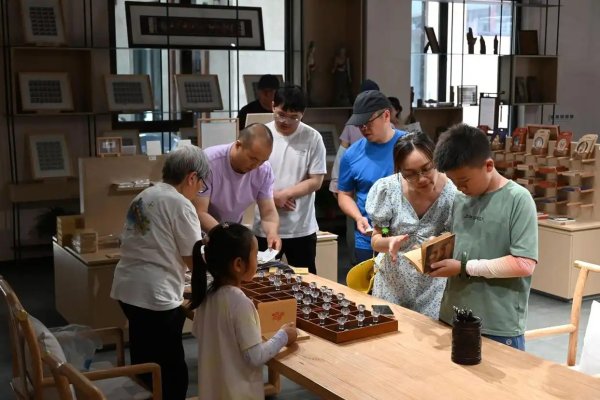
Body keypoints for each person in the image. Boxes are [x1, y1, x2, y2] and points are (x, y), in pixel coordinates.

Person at [110, 145, 209, 399]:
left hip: (127, 289)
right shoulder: (180, 204)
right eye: (201, 184)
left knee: (144, 360)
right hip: (155, 295)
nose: (200, 190)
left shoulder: (144, 195)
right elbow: (193, 259)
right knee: (171, 370)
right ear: (191, 177)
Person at [430, 124, 538, 350]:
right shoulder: (460, 198)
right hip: (452, 314)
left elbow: (524, 264)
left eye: (464, 181)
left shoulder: (518, 199)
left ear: (489, 165)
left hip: (497, 324)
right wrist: (435, 250)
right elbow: (461, 242)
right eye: (454, 182)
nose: (460, 188)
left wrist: (464, 267)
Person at [190, 223, 297, 400]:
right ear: (239, 264)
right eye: (255, 255)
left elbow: (200, 333)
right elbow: (255, 356)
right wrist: (283, 336)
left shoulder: (206, 295)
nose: (258, 260)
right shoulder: (240, 303)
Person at [366, 132, 455, 318]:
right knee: (385, 332)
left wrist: (438, 244)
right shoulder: (388, 189)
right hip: (390, 284)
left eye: (427, 169)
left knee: (427, 335)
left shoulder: (453, 194)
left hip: (433, 289)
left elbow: (459, 243)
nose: (421, 179)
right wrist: (388, 241)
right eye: (410, 174)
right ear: (400, 170)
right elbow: (378, 236)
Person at [253, 85, 327, 274]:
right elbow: (249, 175)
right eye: (281, 114)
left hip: (301, 226)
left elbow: (316, 180)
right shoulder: (260, 134)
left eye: (294, 117)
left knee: (306, 280)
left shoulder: (313, 138)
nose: (285, 121)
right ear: (273, 106)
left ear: (303, 114)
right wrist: (272, 197)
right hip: (264, 226)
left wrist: (285, 194)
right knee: (262, 279)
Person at [337, 90, 407, 264]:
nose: (363, 128)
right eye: (359, 124)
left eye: (368, 122)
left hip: (406, 236)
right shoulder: (352, 154)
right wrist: (357, 217)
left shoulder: (410, 146)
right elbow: (344, 194)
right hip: (368, 238)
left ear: (386, 116)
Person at [194, 123, 281, 250]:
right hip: (201, 234)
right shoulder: (208, 162)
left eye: (262, 161)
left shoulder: (264, 170)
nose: (256, 165)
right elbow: (200, 212)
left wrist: (272, 234)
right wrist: (227, 236)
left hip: (230, 233)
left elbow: (268, 212)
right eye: (252, 158)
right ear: (238, 145)